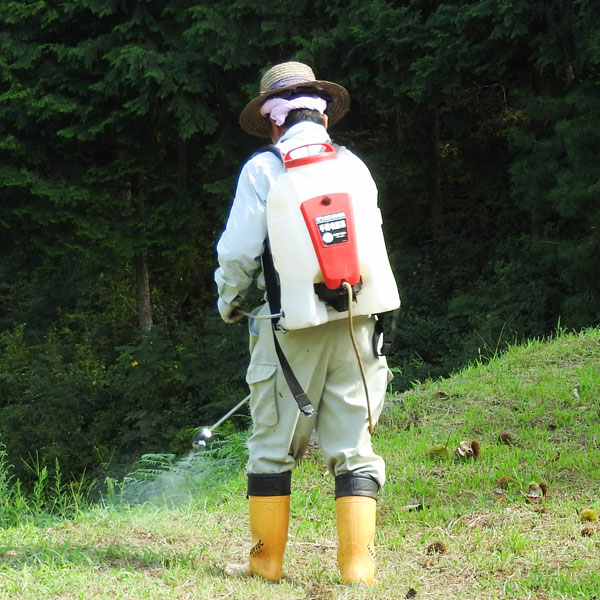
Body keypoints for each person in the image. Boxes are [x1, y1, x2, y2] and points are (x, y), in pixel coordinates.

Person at [214, 61, 397, 585]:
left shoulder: (263, 170)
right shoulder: (354, 166)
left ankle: (266, 563)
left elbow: (238, 253)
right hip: (361, 321)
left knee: (273, 447)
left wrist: (229, 300)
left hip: (286, 329)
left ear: (274, 121)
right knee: (354, 447)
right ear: (323, 117)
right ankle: (357, 568)